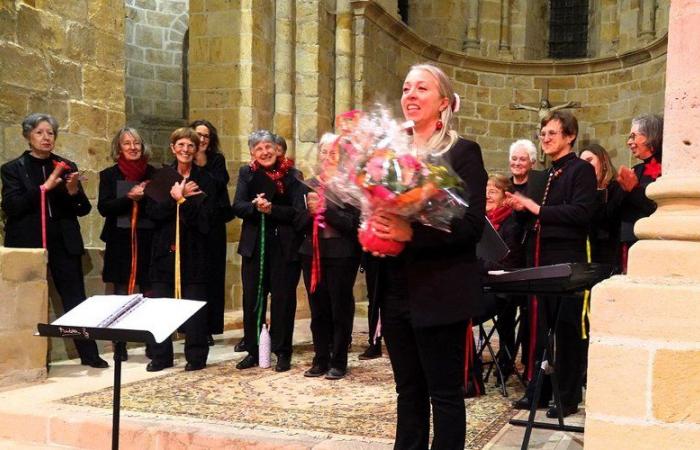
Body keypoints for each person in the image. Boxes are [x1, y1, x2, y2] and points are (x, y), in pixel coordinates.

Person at [367, 63, 487, 449]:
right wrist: (374, 228)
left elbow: (470, 227)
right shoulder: (388, 155)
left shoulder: (462, 153)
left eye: (422, 88)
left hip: (440, 288)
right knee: (408, 392)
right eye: (406, 89)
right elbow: (374, 208)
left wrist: (410, 233)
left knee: (444, 394)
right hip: (395, 287)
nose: (411, 95)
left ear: (444, 102)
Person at [505, 110, 597, 418]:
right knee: (541, 329)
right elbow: (534, 216)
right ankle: (540, 391)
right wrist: (519, 209)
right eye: (542, 134)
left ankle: (567, 396)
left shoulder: (580, 170)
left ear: (570, 136)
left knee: (566, 329)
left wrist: (536, 208)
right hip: (539, 257)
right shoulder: (543, 175)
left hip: (566, 259)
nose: (545, 138)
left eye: (552, 134)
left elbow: (582, 213)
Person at [1, 113, 108, 369]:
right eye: (40, 132)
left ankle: (89, 354)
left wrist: (72, 192)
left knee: (75, 301)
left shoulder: (66, 165)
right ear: (28, 136)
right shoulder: (13, 169)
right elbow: (12, 207)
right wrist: (44, 188)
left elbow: (82, 209)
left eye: (50, 133)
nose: (46, 137)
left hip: (63, 243)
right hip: (29, 244)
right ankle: (29, 359)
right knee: (28, 302)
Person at [232, 130, 304, 372]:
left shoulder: (293, 175)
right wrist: (255, 207)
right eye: (259, 148)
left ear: (277, 149)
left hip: (284, 248)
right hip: (255, 247)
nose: (265, 152)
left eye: (268, 147)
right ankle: (253, 350)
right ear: (253, 153)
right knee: (252, 299)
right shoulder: (247, 173)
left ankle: (283, 351)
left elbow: (296, 213)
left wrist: (272, 209)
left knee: (283, 301)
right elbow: (238, 206)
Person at [144, 127, 215, 372]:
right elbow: (152, 214)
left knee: (194, 306)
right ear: (173, 148)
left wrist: (183, 200)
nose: (185, 150)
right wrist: (173, 198)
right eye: (181, 145)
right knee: (161, 305)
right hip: (165, 248)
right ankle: (161, 356)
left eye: (191, 146)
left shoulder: (206, 180)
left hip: (195, 249)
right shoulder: (161, 177)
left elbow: (205, 220)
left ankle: (196, 356)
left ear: (196, 150)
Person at [298, 133, 361, 380]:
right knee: (318, 309)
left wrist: (326, 211)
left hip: (342, 254)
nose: (327, 156)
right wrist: (309, 212)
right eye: (323, 152)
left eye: (333, 153)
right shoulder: (308, 184)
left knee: (339, 309)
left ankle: (339, 360)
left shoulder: (349, 187)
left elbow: (354, 224)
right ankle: (320, 358)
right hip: (311, 253)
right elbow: (297, 221)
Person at [98, 127, 156, 361]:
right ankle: (119, 344)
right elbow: (104, 207)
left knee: (151, 293)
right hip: (120, 243)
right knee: (122, 293)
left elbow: (160, 208)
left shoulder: (154, 173)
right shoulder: (109, 175)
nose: (133, 147)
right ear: (118, 147)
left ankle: (152, 344)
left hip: (148, 241)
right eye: (127, 143)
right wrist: (128, 198)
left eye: (137, 143)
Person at [190, 119, 234, 346]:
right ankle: (194, 327)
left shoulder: (217, 160)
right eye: (198, 134)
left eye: (206, 135)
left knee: (213, 276)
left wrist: (201, 163)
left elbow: (218, 183)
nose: (202, 139)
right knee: (195, 277)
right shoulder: (183, 160)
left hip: (214, 225)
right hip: (192, 226)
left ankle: (209, 327)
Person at [483, 174, 525, 384]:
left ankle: (506, 361)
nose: (487, 195)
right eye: (486, 190)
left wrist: (481, 265)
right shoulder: (481, 220)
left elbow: (511, 263)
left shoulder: (512, 224)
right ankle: (468, 367)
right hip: (481, 284)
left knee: (504, 308)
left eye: (493, 191)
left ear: (504, 196)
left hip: (505, 286)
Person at [616, 114, 663, 273]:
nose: (629, 142)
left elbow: (657, 206)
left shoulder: (665, 167)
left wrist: (634, 190)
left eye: (634, 136)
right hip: (628, 241)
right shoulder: (636, 169)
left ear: (650, 136)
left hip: (652, 243)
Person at [579, 144, 624, 272]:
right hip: (591, 254)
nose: (585, 166)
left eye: (589, 160)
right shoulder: (583, 193)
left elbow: (609, 218)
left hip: (612, 254)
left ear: (603, 161)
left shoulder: (616, 187)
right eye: (582, 163)